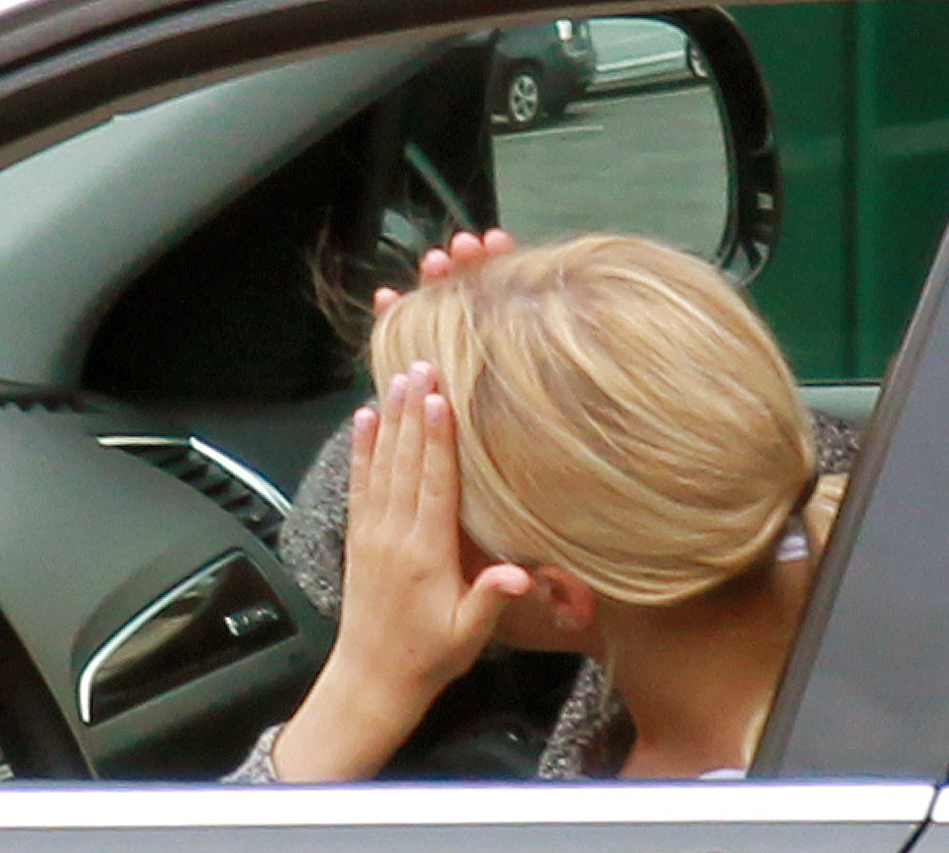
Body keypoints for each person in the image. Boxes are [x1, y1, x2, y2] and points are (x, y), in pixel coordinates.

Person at [233, 230, 849, 782]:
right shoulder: (809, 513)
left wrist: (365, 688)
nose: (400, 511)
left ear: (561, 596)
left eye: (430, 473)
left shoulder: (672, 841)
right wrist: (499, 354)